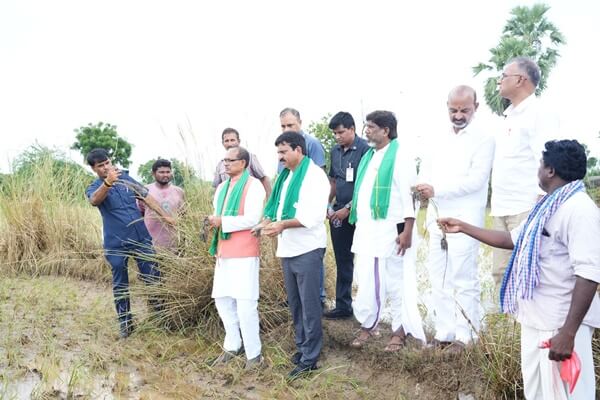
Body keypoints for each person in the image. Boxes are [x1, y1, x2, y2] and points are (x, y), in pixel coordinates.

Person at [439, 139, 600, 399]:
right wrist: (463, 226)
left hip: (560, 326)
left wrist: (568, 333)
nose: (537, 168)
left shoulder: (579, 210)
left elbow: (589, 274)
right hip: (536, 320)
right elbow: (512, 239)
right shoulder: (547, 206)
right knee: (536, 393)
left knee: (568, 396)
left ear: (550, 171)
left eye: (540, 163)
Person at [415, 86, 495, 351]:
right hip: (436, 216)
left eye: (465, 110)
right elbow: (425, 170)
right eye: (453, 110)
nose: (458, 115)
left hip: (465, 219)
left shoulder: (484, 139)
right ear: (446, 106)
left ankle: (466, 336)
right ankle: (445, 332)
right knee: (438, 276)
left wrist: (437, 189)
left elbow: (476, 180)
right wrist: (421, 185)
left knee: (463, 277)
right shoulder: (436, 138)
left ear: (476, 107)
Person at [252, 132, 329, 379]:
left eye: (284, 152)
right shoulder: (285, 177)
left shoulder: (315, 176)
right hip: (287, 249)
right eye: (278, 153)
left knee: (309, 304)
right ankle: (302, 346)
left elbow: (314, 215)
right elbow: (275, 208)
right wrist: (264, 223)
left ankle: (310, 357)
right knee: (295, 304)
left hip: (307, 249)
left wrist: (282, 226)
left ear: (298, 150)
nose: (280, 157)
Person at [349, 110, 425, 351]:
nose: (367, 131)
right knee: (367, 278)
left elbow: (408, 197)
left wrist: (408, 230)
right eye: (366, 126)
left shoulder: (401, 156)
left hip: (391, 230)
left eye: (371, 127)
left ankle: (399, 330)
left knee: (395, 280)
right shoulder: (369, 156)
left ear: (386, 130)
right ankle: (370, 325)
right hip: (368, 231)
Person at [85, 148, 175, 338]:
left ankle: (160, 317)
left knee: (153, 277)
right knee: (121, 283)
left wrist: (166, 217)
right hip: (116, 243)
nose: (106, 167)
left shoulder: (126, 178)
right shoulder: (94, 187)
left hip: (141, 239)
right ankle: (126, 323)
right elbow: (95, 201)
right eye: (100, 166)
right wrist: (107, 183)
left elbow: (146, 196)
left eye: (107, 163)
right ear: (94, 169)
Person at [490, 57, 560, 287]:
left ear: (520, 80)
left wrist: (540, 206)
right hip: (501, 206)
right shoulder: (509, 115)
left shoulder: (540, 113)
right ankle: (505, 323)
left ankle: (525, 323)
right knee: (501, 274)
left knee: (524, 272)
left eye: (504, 76)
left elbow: (548, 160)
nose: (499, 80)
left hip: (526, 206)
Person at [208, 146, 266, 370]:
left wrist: (222, 221)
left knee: (245, 303)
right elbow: (217, 214)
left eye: (231, 160)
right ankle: (233, 344)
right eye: (224, 160)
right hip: (223, 250)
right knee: (222, 299)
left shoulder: (254, 185)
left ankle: (254, 355)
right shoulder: (222, 187)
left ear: (243, 163)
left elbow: (253, 219)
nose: (226, 164)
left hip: (244, 251)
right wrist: (215, 220)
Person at [278, 107, 328, 307]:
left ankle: (320, 296)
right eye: (283, 125)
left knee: (311, 261)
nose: (286, 128)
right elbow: (284, 179)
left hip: (307, 213)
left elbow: (316, 177)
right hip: (289, 223)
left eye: (290, 124)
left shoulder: (312, 145)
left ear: (300, 122)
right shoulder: (283, 147)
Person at [323, 112, 369, 320]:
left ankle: (367, 308)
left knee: (367, 260)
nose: (337, 137)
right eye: (335, 133)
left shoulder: (366, 151)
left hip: (361, 213)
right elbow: (333, 181)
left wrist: (349, 209)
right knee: (343, 259)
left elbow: (367, 186)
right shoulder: (335, 151)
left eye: (341, 132)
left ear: (352, 129)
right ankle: (343, 305)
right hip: (338, 211)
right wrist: (327, 204)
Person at [139, 159, 185, 249]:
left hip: (174, 243)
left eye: (168, 172)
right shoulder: (145, 191)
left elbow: (183, 215)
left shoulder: (179, 191)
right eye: (161, 172)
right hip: (151, 243)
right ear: (153, 174)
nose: (165, 175)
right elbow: (140, 213)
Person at [212, 127, 272, 197]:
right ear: (223, 143)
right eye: (226, 141)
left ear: (239, 141)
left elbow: (263, 178)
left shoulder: (250, 157)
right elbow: (217, 187)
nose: (230, 144)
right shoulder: (220, 164)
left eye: (232, 140)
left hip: (250, 198)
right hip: (229, 202)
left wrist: (269, 200)